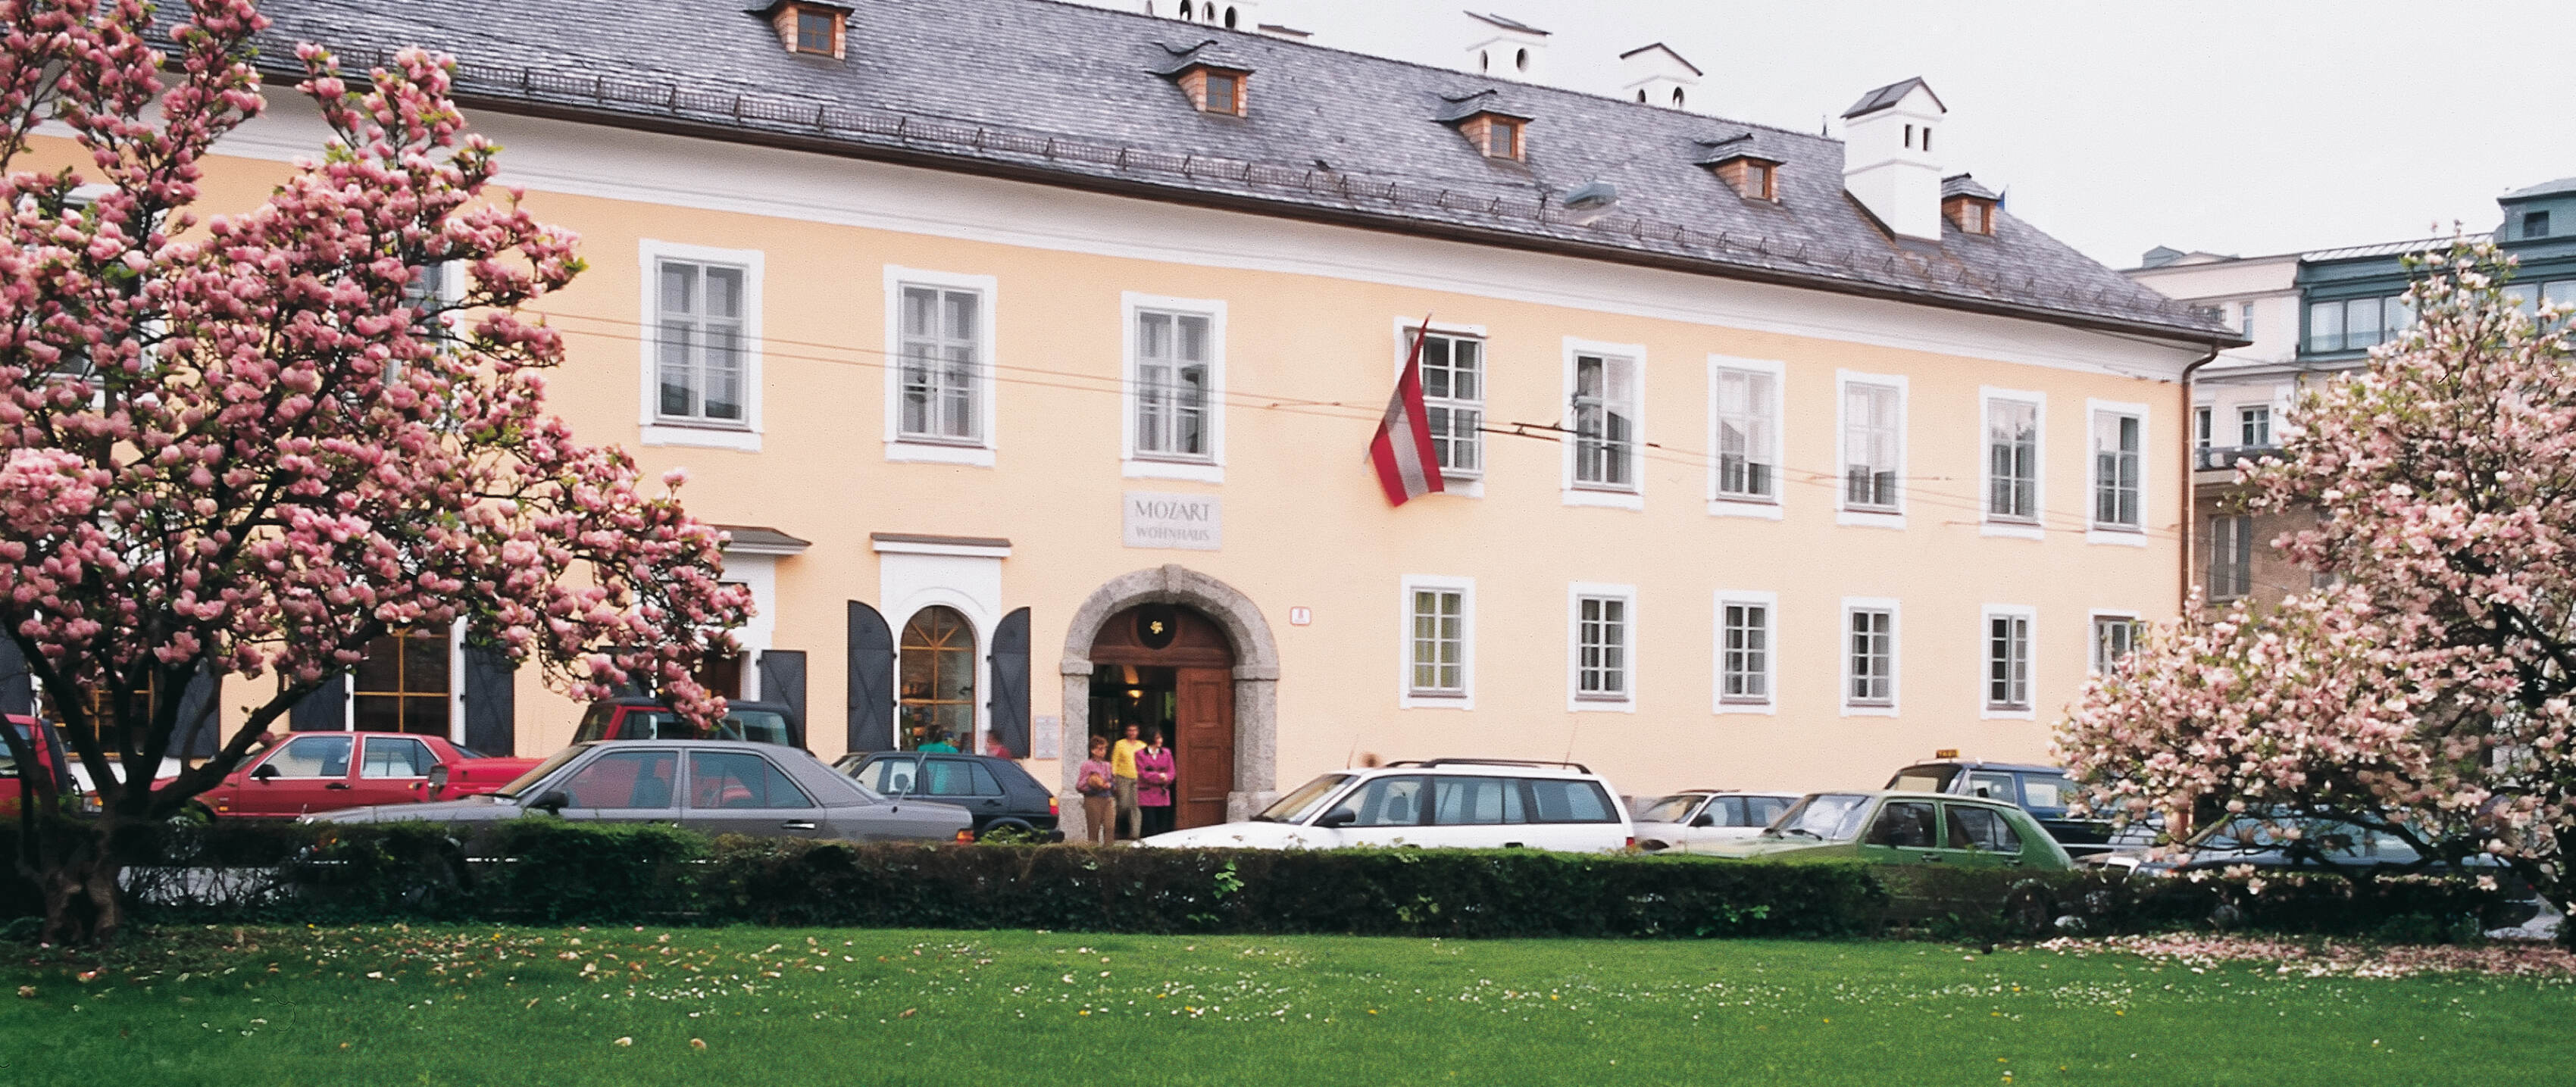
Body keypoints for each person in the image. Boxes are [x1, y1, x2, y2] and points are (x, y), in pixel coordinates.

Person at [1075, 736, 1117, 845]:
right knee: (1094, 828)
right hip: (1093, 798)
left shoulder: (1107, 765)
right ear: (1093, 750)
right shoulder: (1087, 765)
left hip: (1107, 798)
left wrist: (1110, 785)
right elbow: (1080, 785)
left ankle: (1109, 851)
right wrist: (1094, 785)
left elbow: (1113, 781)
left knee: (1110, 826)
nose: (1103, 752)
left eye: (1104, 749)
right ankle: (1094, 853)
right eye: (1100, 749)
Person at [1134, 728, 1176, 839]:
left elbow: (1172, 771)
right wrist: (1159, 776)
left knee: (1163, 828)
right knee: (1150, 828)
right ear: (1151, 738)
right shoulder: (1140, 754)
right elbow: (1142, 773)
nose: (1161, 740)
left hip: (1162, 795)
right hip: (1147, 796)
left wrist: (1166, 778)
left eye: (1161, 737)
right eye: (1158, 738)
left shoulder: (1167, 753)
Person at [1111, 721, 1146, 841]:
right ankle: (1116, 827)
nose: (1132, 733)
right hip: (1122, 777)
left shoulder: (1142, 746)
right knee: (1123, 805)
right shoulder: (1120, 744)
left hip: (1138, 778)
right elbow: (1114, 761)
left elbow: (1146, 763)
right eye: (1130, 730)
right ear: (1126, 732)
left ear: (1138, 732)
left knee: (1136, 806)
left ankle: (1135, 834)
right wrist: (1113, 777)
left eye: (1134, 730)